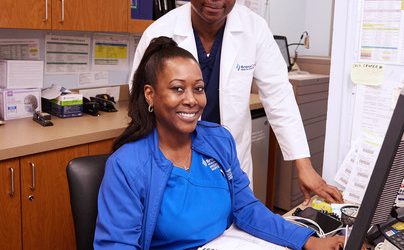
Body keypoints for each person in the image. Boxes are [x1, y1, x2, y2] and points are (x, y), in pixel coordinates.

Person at [131, 0, 343, 204]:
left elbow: (279, 96)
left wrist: (304, 164)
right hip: (172, 159)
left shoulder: (254, 29)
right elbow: (140, 104)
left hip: (229, 161)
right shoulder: (160, 31)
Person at [94, 37, 345, 249]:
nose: (192, 100)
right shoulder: (126, 165)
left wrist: (308, 241)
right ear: (150, 94)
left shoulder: (217, 140)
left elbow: (246, 207)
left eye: (199, 88)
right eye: (178, 89)